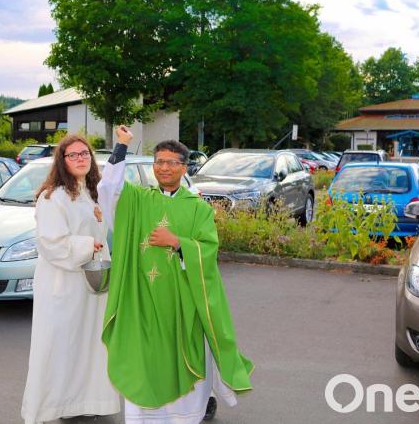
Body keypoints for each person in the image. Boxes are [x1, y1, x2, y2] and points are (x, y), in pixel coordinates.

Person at [97, 126, 254, 423]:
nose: (164, 167)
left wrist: (178, 243)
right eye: (159, 161)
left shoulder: (198, 209)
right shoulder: (137, 200)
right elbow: (109, 190)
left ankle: (184, 417)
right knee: (145, 363)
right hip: (142, 299)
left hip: (182, 304)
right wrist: (121, 146)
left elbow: (209, 250)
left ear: (184, 168)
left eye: (171, 162)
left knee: (183, 362)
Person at [21, 134, 121, 424]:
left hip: (90, 284)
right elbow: (52, 243)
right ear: (62, 162)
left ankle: (86, 400)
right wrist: (88, 244)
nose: (80, 159)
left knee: (89, 345)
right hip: (62, 285)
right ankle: (56, 405)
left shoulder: (91, 192)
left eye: (84, 154)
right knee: (61, 346)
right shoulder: (52, 197)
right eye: (73, 155)